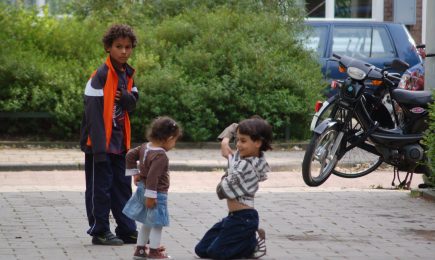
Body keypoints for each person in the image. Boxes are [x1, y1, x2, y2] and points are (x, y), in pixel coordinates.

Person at [80, 24, 139, 245]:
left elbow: (133, 102)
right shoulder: (99, 76)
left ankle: (126, 228)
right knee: (100, 189)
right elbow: (93, 117)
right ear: (108, 47)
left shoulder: (128, 73)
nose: (124, 51)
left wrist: (125, 97)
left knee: (122, 187)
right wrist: (98, 150)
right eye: (118, 47)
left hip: (120, 143)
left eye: (128, 47)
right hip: (100, 144)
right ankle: (100, 230)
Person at [195, 117, 272, 259]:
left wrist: (226, 173)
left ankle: (253, 242)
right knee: (201, 250)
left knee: (216, 253)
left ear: (257, 142)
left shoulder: (247, 166)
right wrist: (225, 142)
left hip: (244, 219)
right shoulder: (244, 156)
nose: (238, 145)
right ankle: (247, 237)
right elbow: (235, 126)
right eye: (237, 140)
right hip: (234, 217)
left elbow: (223, 190)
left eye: (243, 141)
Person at [123, 116, 182, 260]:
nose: (174, 144)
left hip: (143, 189)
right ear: (168, 138)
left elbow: (130, 155)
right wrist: (151, 197)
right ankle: (154, 251)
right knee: (157, 224)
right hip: (156, 193)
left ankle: (140, 250)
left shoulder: (145, 146)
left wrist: (134, 173)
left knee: (147, 222)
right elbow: (153, 177)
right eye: (174, 141)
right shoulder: (161, 155)